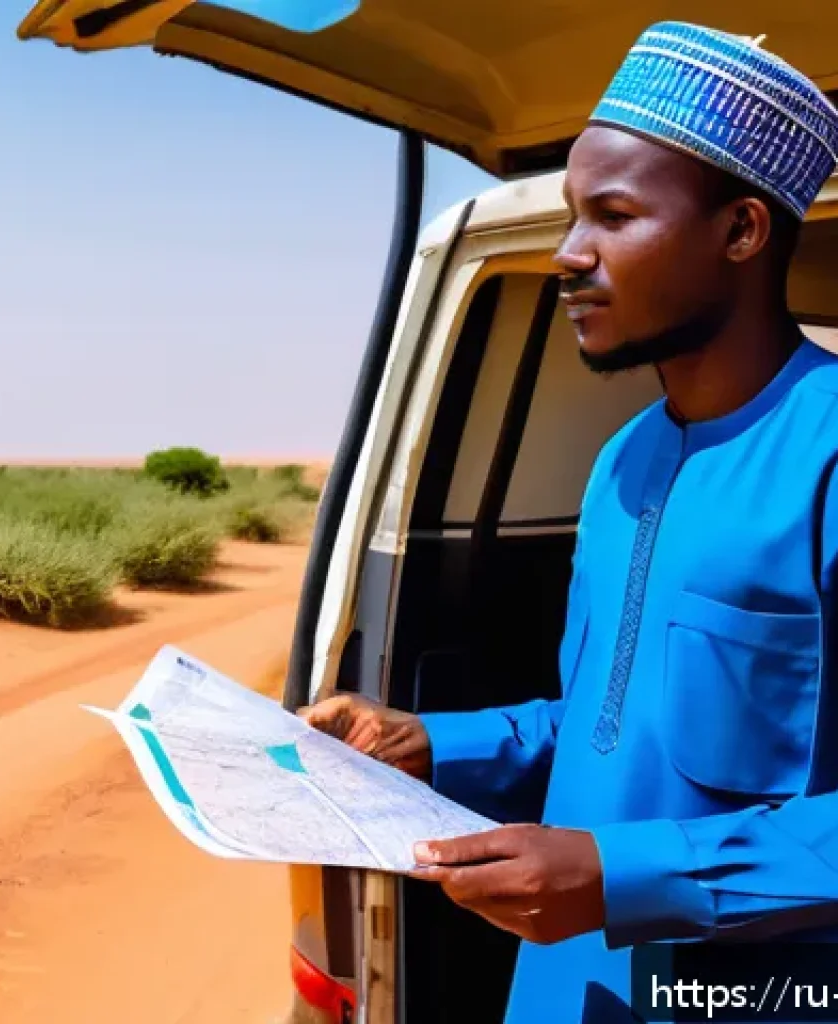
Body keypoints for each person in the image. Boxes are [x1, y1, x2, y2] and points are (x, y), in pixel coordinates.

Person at [299, 21, 838, 1024]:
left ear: (741, 232)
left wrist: (620, 875)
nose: (566, 255)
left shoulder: (827, 451)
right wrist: (427, 745)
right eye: (569, 218)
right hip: (562, 993)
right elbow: (602, 722)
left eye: (612, 217)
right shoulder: (624, 460)